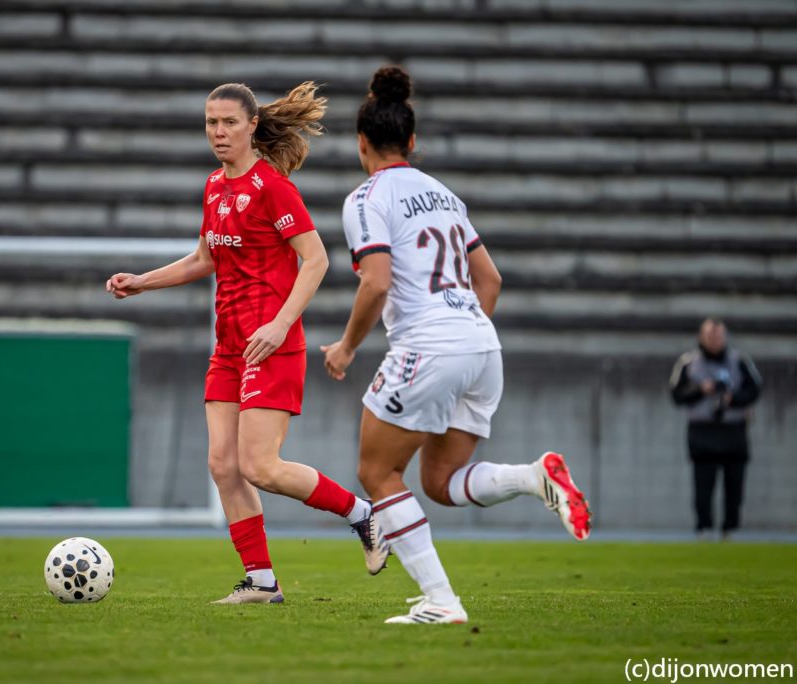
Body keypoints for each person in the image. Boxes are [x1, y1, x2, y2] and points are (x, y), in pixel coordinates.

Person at [322, 66, 592, 625]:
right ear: (413, 140)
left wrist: (346, 348)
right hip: (481, 345)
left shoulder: (366, 199)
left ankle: (441, 601)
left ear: (361, 142)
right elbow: (490, 280)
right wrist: (462, 337)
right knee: (439, 483)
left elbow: (376, 281)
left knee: (377, 473)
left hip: (430, 347)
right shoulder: (444, 195)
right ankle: (532, 477)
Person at [106, 81, 387, 604]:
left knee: (260, 467)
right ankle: (260, 580)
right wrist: (143, 281)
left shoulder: (272, 187)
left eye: (229, 122)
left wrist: (280, 324)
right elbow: (203, 259)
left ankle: (364, 515)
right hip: (229, 348)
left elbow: (316, 259)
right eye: (211, 122)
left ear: (252, 125)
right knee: (223, 465)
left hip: (270, 346)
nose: (218, 131)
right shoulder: (214, 185)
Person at [670, 318, 762, 540]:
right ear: (701, 337)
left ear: (725, 337)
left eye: (718, 336)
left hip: (733, 429)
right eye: (710, 336)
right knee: (703, 483)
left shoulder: (739, 360)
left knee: (734, 483)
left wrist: (733, 399)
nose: (714, 341)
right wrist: (700, 390)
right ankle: (704, 528)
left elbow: (755, 389)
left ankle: (731, 528)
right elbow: (676, 394)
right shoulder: (689, 362)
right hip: (702, 430)